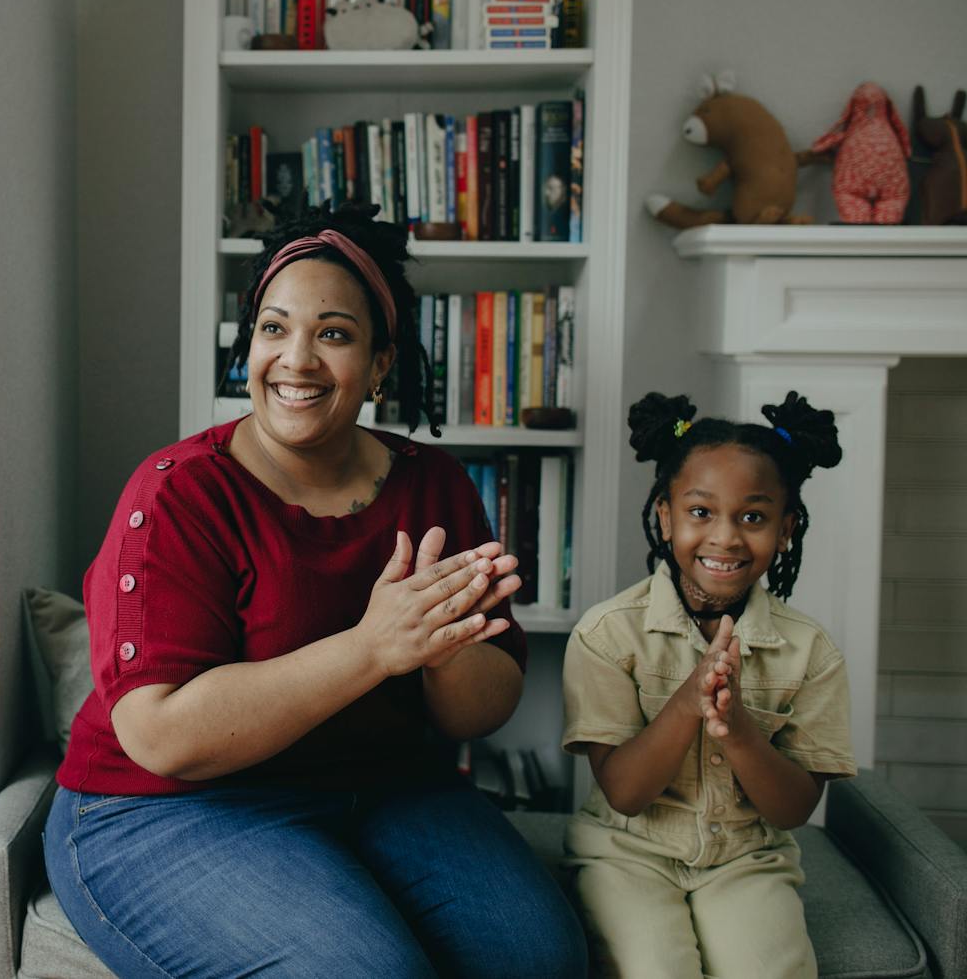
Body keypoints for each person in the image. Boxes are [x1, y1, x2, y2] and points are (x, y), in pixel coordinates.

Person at [45, 204, 587, 978]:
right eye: (274, 328)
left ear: (379, 362)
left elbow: (481, 709)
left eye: (333, 333)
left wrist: (440, 646)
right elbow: (161, 734)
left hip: (386, 789)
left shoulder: (433, 484)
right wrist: (374, 647)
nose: (295, 359)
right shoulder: (177, 495)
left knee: (538, 956)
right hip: (163, 805)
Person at [561, 391, 856, 979]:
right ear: (666, 515)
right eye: (701, 512)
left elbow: (795, 809)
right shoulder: (606, 634)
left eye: (753, 517)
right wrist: (690, 701)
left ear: (786, 528)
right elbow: (624, 793)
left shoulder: (811, 652)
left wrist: (739, 730)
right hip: (628, 855)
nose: (725, 537)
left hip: (748, 858)